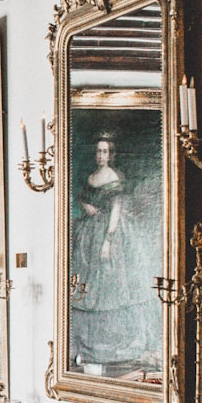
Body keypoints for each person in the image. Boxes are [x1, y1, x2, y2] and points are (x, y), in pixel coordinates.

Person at [69, 134, 154, 368]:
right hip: (88, 233)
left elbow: (116, 209)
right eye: (98, 151)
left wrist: (108, 240)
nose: (101, 156)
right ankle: (88, 343)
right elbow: (83, 199)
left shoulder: (114, 176)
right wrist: (86, 206)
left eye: (105, 152)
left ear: (111, 154)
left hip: (109, 231)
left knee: (108, 287)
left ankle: (111, 342)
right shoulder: (92, 176)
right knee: (86, 286)